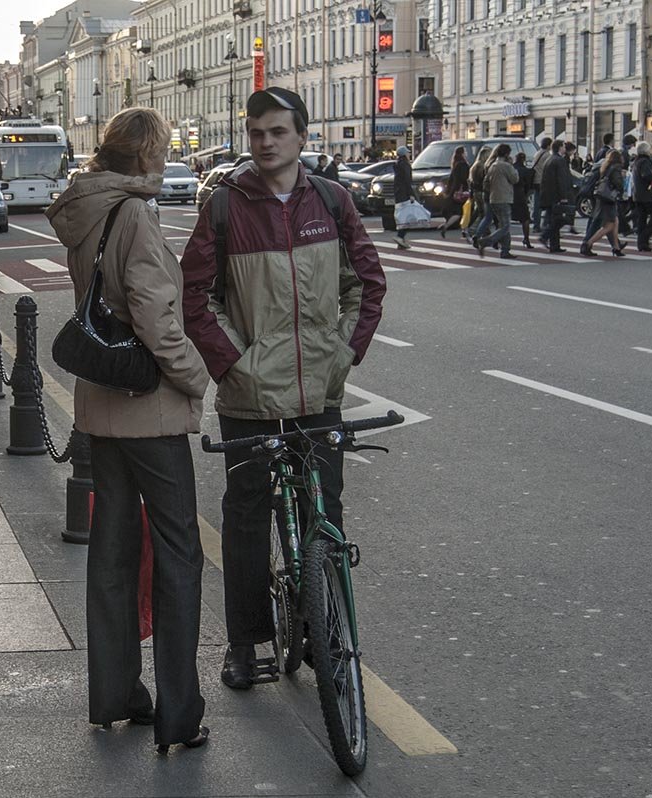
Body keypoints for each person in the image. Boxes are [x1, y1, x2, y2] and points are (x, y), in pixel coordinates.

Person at [179, 87, 385, 695]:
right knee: (245, 518)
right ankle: (245, 645)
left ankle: (322, 624)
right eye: (256, 132)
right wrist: (235, 365)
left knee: (327, 513)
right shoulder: (224, 206)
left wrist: (344, 354)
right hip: (248, 395)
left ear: (301, 137)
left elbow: (367, 285)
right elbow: (197, 297)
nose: (265, 142)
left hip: (319, 392)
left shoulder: (332, 200)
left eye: (277, 132)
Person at [45, 106, 210, 753]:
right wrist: (194, 375)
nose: (166, 157)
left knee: (112, 555)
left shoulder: (86, 209)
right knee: (178, 557)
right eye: (163, 147)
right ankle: (179, 715)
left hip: (99, 405)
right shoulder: (134, 214)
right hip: (149, 409)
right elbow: (154, 317)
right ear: (145, 154)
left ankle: (115, 695)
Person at [475, 143, 518, 259]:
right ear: (507, 154)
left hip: (493, 198)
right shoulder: (506, 166)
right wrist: (512, 166)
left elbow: (486, 183)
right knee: (505, 227)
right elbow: (515, 179)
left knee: (503, 225)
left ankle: (505, 251)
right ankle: (486, 241)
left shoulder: (492, 165)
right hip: (504, 198)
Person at [580, 150, 625, 257]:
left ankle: (616, 248)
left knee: (615, 222)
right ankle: (588, 243)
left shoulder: (605, 167)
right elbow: (618, 184)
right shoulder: (616, 168)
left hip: (602, 197)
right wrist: (622, 178)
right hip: (609, 199)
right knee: (609, 225)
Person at [538, 139, 573, 253]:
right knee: (558, 220)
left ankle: (554, 245)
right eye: (563, 146)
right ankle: (545, 236)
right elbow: (561, 179)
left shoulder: (549, 159)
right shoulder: (559, 161)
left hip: (548, 195)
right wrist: (563, 196)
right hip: (556, 196)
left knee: (554, 219)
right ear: (559, 148)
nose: (564, 148)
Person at [630, 141, 652, 252]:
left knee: (642, 218)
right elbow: (647, 175)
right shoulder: (645, 161)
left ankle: (641, 243)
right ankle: (644, 238)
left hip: (638, 193)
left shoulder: (636, 161)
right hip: (646, 194)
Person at [436, 145, 469, 237]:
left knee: (455, 210)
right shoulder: (463, 164)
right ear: (462, 154)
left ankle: (448, 224)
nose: (466, 154)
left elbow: (453, 180)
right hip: (460, 191)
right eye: (465, 152)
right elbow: (463, 179)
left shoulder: (455, 164)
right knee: (459, 212)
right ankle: (447, 226)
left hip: (453, 191)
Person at [529, 137, 553, 232]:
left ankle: (536, 225)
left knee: (537, 204)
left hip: (535, 181)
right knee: (547, 204)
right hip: (543, 182)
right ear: (548, 145)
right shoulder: (547, 155)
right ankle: (544, 225)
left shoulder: (537, 153)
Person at [393, 145, 414, 248]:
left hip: (398, 193)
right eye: (407, 152)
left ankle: (401, 242)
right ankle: (400, 236)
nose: (409, 154)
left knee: (402, 216)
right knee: (407, 216)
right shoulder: (405, 165)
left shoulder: (398, 164)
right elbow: (407, 180)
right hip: (404, 193)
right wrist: (411, 194)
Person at [512, 151, 535, 249]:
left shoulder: (511, 168)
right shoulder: (525, 170)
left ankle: (498, 240)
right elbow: (528, 186)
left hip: (509, 194)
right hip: (520, 195)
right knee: (525, 219)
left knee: (504, 219)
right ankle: (526, 238)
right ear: (524, 160)